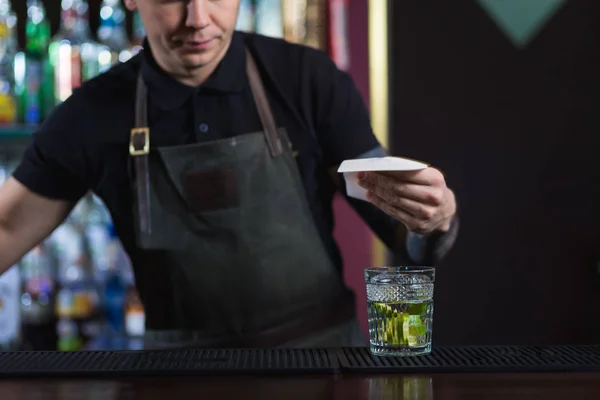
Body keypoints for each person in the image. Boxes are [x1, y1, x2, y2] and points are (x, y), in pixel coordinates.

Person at [0, 0, 459, 349]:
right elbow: (8, 228)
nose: (197, 18)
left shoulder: (307, 81)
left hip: (320, 364)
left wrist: (434, 220)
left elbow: (404, 234)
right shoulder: (92, 114)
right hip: (179, 377)